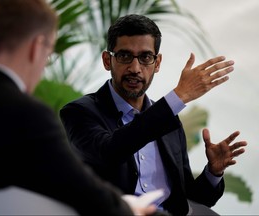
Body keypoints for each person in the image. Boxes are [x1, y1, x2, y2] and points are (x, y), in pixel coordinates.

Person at [0, 2, 159, 216]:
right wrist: (130, 209)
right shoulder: (28, 116)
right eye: (49, 53)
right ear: (36, 47)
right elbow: (80, 190)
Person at [60, 14, 247, 216]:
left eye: (145, 58)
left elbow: (192, 198)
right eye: (124, 56)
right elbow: (109, 153)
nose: (135, 68)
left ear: (157, 64)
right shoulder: (79, 112)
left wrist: (213, 172)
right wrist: (179, 96)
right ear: (107, 60)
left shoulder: (169, 120)